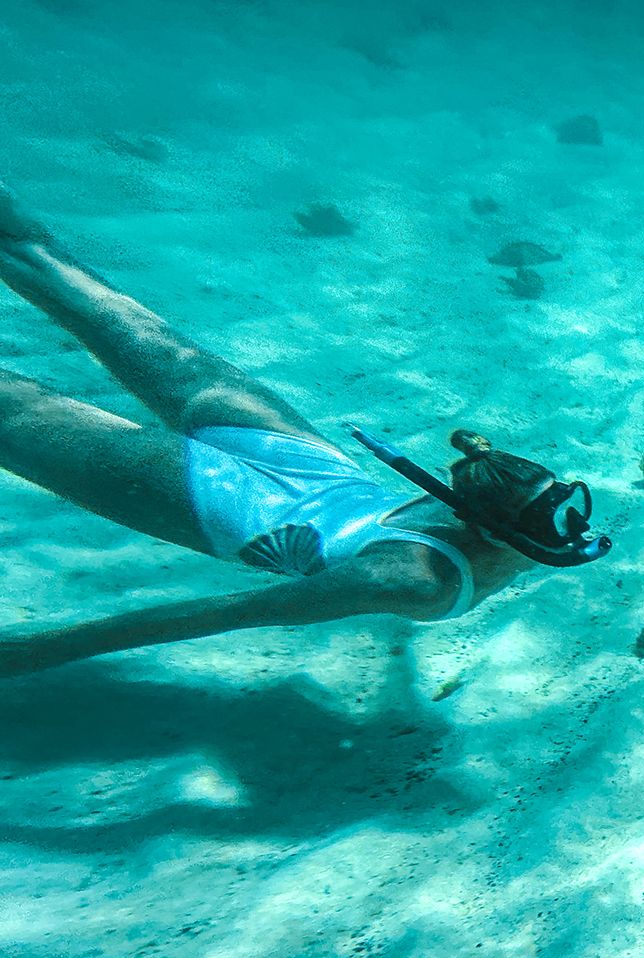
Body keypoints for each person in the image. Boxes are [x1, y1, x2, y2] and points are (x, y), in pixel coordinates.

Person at [0, 181, 609, 678]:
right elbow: (225, 614)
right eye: (556, 511)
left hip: (297, 457)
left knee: (62, 296)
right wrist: (35, 653)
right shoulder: (409, 582)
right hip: (228, 504)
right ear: (484, 524)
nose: (571, 526)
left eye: (565, 510)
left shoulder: (519, 525)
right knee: (37, 354)